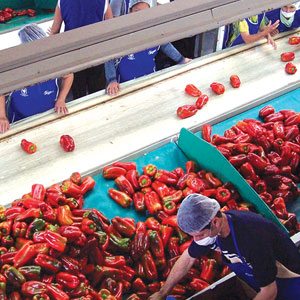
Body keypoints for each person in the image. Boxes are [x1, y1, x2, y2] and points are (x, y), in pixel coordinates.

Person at [149, 194, 300, 300]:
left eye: (199, 235)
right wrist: (163, 292)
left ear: (215, 222)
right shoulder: (212, 228)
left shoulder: (251, 236)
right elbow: (188, 258)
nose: (196, 240)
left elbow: (269, 291)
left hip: (290, 284)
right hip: (260, 282)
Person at [105, 0, 190, 96]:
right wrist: (112, 80)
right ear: (130, 11)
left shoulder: (153, 31)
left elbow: (165, 45)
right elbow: (109, 57)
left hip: (149, 80)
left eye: (144, 12)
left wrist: (181, 59)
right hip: (124, 86)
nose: (140, 16)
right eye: (136, 11)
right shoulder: (121, 33)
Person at [0, 24, 73, 134]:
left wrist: (61, 99)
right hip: (20, 121)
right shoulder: (15, 68)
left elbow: (69, 75)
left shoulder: (53, 62)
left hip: (49, 115)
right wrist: (2, 117)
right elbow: (1, 91)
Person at [49, 0, 113, 99]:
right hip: (96, 54)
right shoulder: (103, 1)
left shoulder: (62, 2)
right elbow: (111, 27)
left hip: (74, 57)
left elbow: (54, 32)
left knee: (78, 97)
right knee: (98, 95)